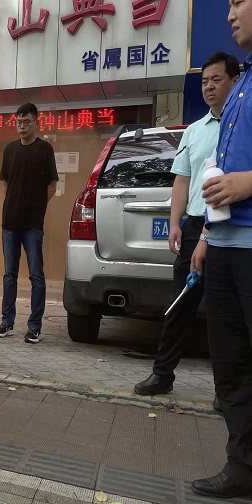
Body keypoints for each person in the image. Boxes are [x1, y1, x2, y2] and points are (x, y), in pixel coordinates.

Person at [134, 52, 240, 400]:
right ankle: (162, 374)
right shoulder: (193, 131)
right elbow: (182, 179)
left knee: (225, 314)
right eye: (205, 81)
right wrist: (175, 223)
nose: (209, 87)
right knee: (180, 304)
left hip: (231, 227)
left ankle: (227, 392)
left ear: (235, 81)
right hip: (194, 226)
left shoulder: (242, 127)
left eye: (217, 80)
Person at [188, 1, 252, 498]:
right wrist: (208, 236)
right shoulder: (242, 83)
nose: (230, 14)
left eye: (238, 2)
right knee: (230, 365)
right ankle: (241, 466)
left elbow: (238, 176)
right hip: (225, 245)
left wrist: (247, 183)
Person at [0, 103, 59, 344]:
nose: (22, 126)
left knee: (36, 276)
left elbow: (52, 185)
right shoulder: (10, 150)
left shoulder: (45, 149)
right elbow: (5, 183)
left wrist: (38, 207)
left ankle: (34, 326)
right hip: (9, 223)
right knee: (9, 275)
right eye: (19, 122)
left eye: (26, 121)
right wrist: (14, 203)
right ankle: (7, 322)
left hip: (32, 225)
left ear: (36, 123)